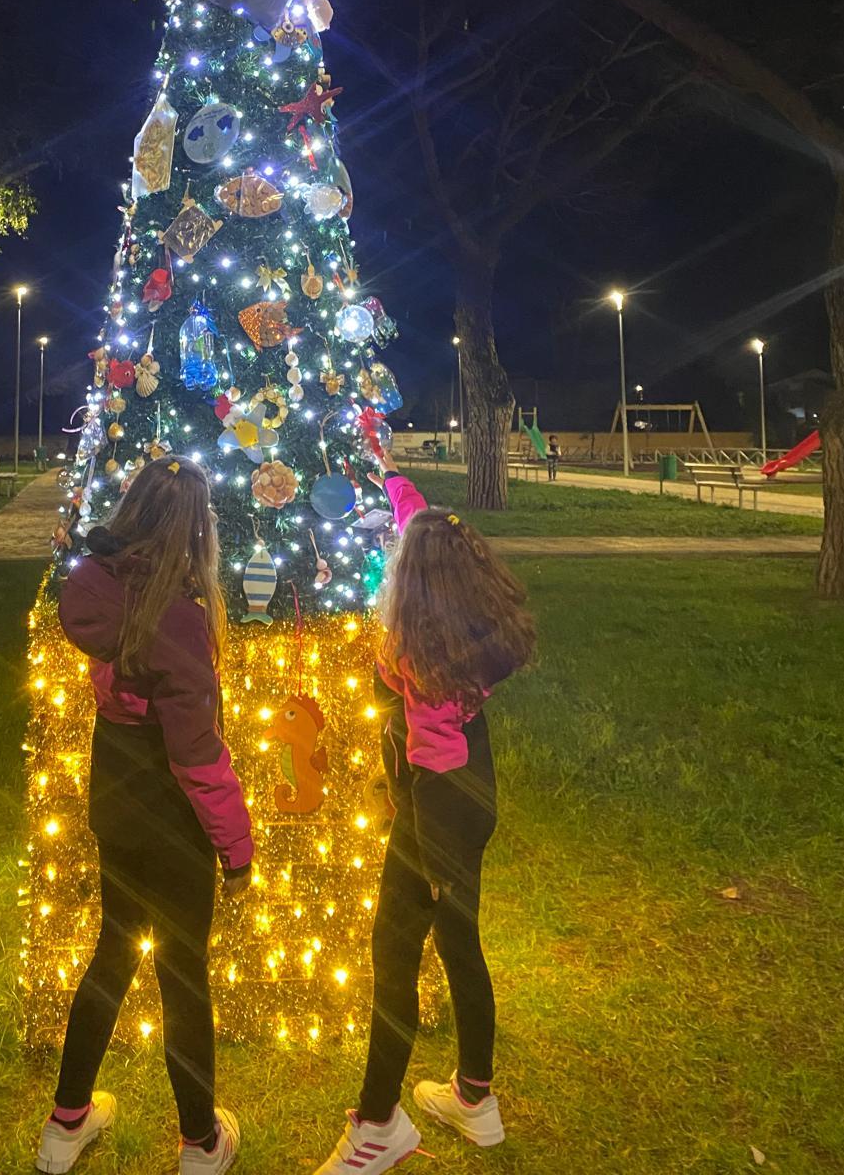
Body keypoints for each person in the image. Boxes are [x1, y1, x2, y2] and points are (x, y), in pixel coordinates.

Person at [313, 452, 537, 1174]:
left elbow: (424, 764)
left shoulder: (427, 660)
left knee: (396, 952)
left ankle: (378, 1126)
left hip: (439, 811)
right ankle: (475, 1097)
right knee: (461, 944)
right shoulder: (458, 594)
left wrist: (427, 852)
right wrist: (381, 471)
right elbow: (416, 510)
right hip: (478, 792)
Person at [36, 456, 252, 1175]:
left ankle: (65, 1127)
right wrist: (237, 846)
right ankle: (200, 1142)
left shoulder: (97, 589)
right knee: (183, 971)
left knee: (114, 949)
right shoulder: (179, 621)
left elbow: (116, 683)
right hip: (171, 813)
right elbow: (197, 758)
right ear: (194, 531)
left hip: (116, 801)